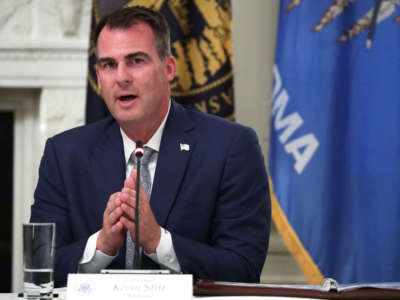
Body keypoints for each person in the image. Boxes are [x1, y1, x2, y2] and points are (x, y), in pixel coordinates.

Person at [30, 6, 270, 287]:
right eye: (109, 65)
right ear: (98, 78)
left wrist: (158, 241)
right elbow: (38, 269)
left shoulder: (231, 147)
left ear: (168, 68)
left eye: (136, 61)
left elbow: (243, 269)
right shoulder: (64, 154)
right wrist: (102, 246)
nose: (121, 77)